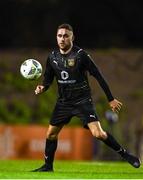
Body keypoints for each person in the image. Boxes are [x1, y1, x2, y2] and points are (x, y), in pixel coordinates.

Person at [32, 23, 141, 172]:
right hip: (63, 102)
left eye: (65, 36)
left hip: (82, 101)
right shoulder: (52, 57)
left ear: (72, 37)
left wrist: (110, 98)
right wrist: (42, 87)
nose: (62, 39)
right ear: (56, 38)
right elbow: (48, 79)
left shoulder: (81, 55)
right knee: (50, 134)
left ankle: (126, 155)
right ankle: (48, 166)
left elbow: (99, 76)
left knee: (98, 133)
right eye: (59, 36)